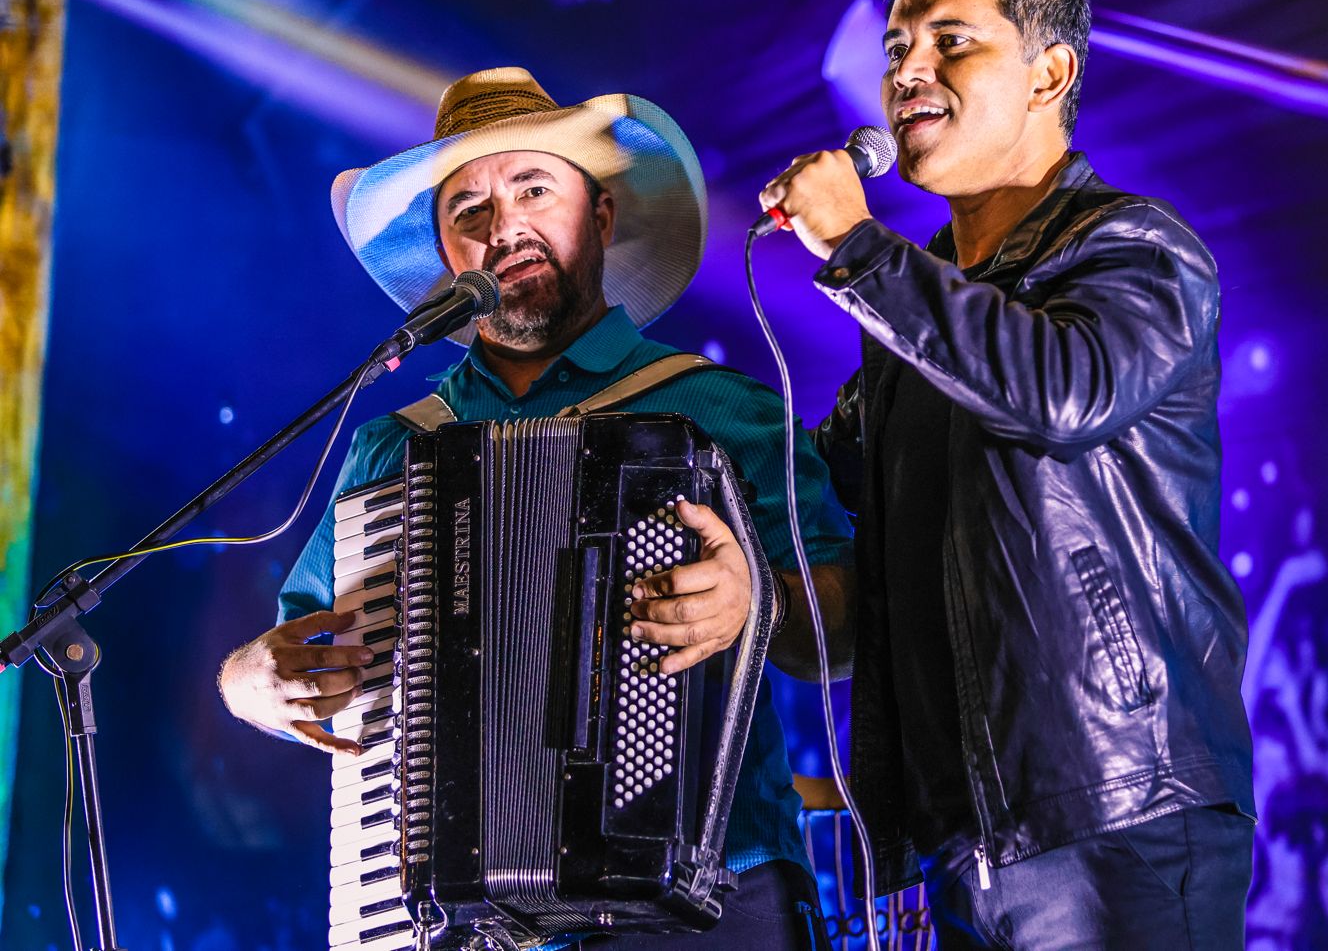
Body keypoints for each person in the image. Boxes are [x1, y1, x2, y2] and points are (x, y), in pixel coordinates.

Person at [216, 67, 854, 948]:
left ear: (600, 216)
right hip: (458, 919)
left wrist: (763, 602)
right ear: (447, 257)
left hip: (711, 899)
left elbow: (847, 632)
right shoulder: (392, 447)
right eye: (467, 211)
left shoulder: (723, 409)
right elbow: (305, 650)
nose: (504, 224)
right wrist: (249, 682)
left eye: (533, 187)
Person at [758, 0, 1256, 948]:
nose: (910, 72)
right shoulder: (918, 315)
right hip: (961, 846)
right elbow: (825, 491)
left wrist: (858, 249)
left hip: (1118, 814)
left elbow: (1061, 391)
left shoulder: (1135, 250)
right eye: (897, 50)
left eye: (951, 42)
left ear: (1050, 72)